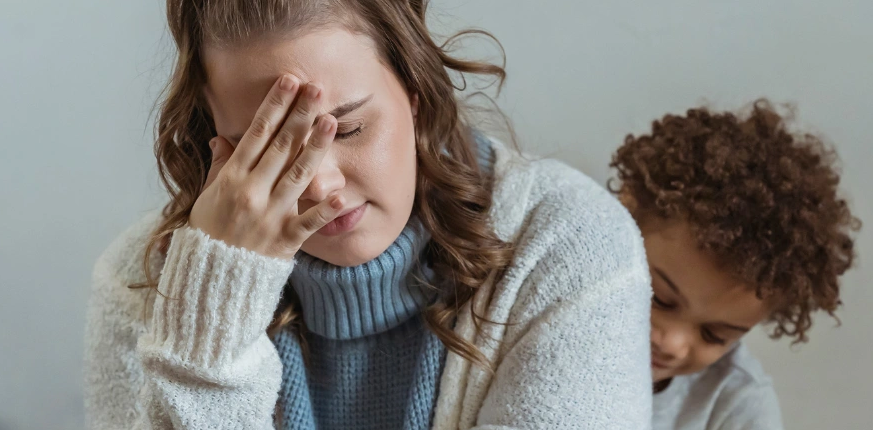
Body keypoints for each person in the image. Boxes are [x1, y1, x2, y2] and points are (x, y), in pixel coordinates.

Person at [83, 1, 651, 429]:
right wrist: (213, 319)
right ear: (215, 135)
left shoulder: (571, 247)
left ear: (415, 88)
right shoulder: (143, 282)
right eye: (268, 148)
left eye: (349, 128)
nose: (320, 184)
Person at [610, 100, 862, 430]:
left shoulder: (735, 405)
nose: (671, 343)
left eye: (714, 335)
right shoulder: (549, 316)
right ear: (623, 215)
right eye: (659, 298)